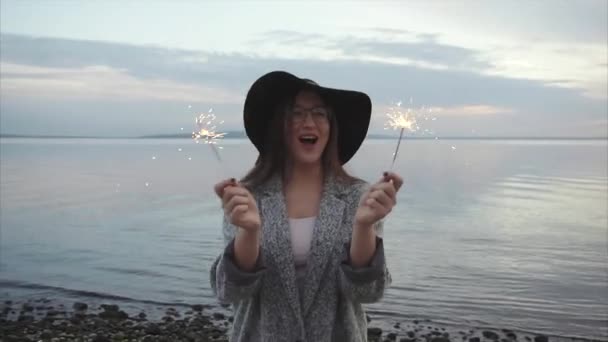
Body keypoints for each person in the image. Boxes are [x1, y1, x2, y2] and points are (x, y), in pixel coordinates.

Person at [210, 71, 403, 342]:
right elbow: (229, 292)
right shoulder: (246, 196)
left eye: (319, 113)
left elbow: (366, 293)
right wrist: (249, 232)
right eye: (296, 113)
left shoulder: (359, 197)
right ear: (279, 126)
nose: (308, 122)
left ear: (331, 126)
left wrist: (363, 226)